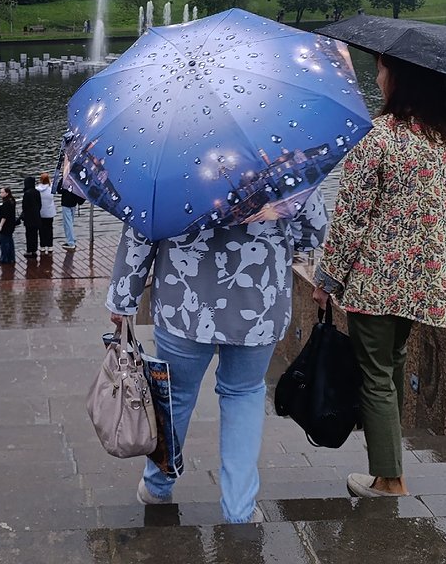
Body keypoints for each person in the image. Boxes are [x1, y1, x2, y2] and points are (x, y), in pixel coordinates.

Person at [311, 53, 446, 498]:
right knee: (392, 364)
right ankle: (391, 464)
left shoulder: (378, 137)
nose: (379, 78)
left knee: (376, 375)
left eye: (382, 71)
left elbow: (350, 217)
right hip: (427, 282)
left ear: (399, 78)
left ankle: (389, 478)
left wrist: (326, 280)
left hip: (377, 281)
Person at [107, 192, 329, 524]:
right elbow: (314, 230)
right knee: (244, 393)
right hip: (259, 299)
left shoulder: (173, 156)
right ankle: (239, 508)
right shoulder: (283, 154)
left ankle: (158, 485)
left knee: (175, 395)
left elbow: (141, 230)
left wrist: (123, 298)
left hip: (183, 299)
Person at [20, 176, 42, 258]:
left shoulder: (27, 193)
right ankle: (34, 250)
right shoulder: (37, 192)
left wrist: (23, 216)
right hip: (36, 217)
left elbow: (24, 207)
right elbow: (40, 205)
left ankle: (29, 250)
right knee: (35, 234)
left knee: (29, 235)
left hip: (29, 218)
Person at [59, 185, 84, 250]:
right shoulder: (75, 179)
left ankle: (70, 242)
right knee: (70, 222)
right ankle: (72, 239)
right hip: (74, 203)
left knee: (67, 223)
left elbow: (59, 190)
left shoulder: (65, 179)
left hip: (66, 203)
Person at [37, 172, 56, 254]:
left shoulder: (37, 190)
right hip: (49, 212)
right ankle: (50, 246)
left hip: (41, 212)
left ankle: (42, 246)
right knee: (49, 229)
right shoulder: (51, 188)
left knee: (41, 230)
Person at [0, 187, 17, 264]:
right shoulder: (12, 201)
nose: (0, 194)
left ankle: (3, 259)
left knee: (4, 242)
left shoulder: (6, 204)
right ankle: (11, 258)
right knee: (10, 241)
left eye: (2, 192)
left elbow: (4, 217)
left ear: (7, 193)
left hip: (6, 226)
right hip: (11, 224)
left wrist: (0, 226)